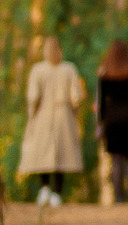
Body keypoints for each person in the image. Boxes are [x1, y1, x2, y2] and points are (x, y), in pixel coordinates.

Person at [17, 36, 86, 205]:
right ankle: (55, 192)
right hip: (63, 114)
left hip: (44, 114)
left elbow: (33, 96)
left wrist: (32, 115)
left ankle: (45, 188)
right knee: (60, 153)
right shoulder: (69, 69)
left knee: (45, 152)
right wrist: (75, 112)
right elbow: (75, 96)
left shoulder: (38, 70)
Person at [95, 39, 128, 205]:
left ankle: (119, 197)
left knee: (116, 159)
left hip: (112, 119)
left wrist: (100, 124)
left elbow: (101, 103)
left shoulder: (104, 75)